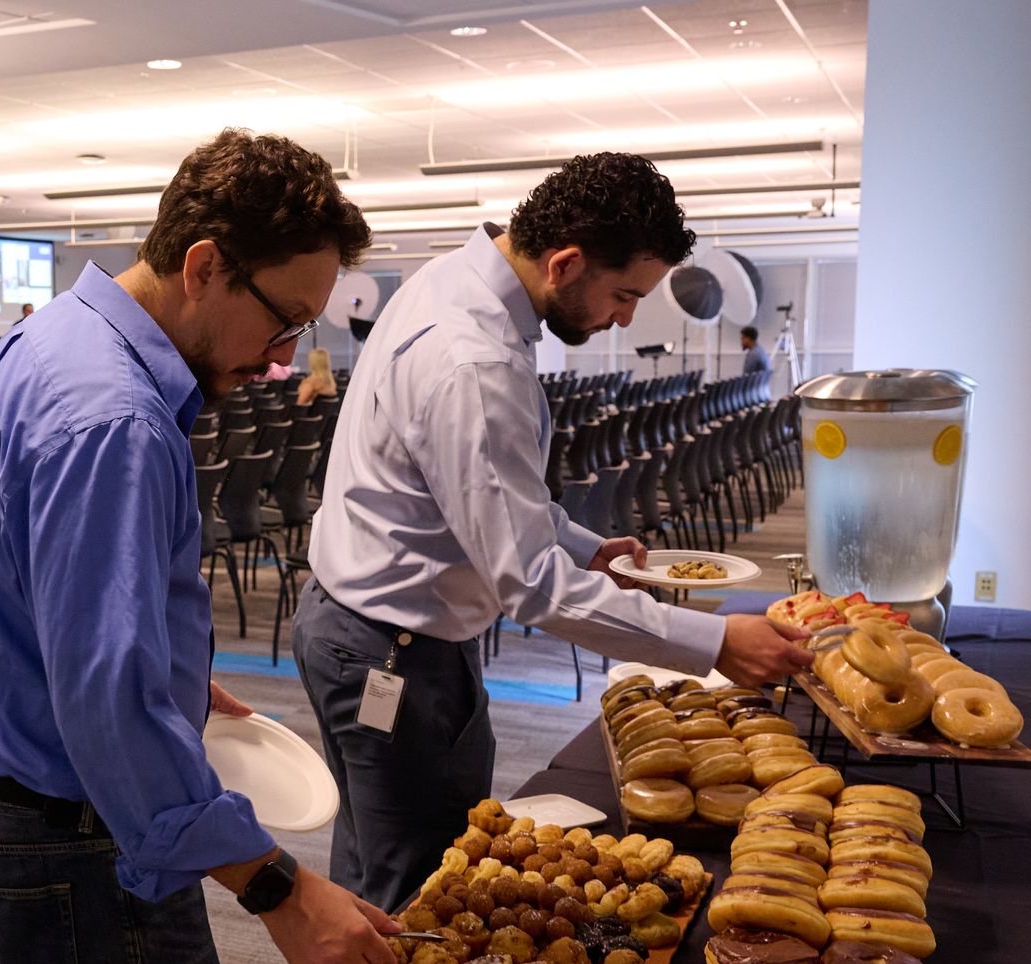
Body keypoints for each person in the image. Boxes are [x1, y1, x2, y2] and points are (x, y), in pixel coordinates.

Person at [0, 127, 396, 964]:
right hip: (72, 841)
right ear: (206, 264)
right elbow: (111, 717)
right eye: (283, 318)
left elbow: (4, 593)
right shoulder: (119, 420)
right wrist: (279, 889)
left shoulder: (48, 342)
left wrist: (167, 668)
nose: (283, 355)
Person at [293, 153, 814, 911]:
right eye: (624, 295)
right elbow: (529, 585)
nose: (628, 318)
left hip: (353, 626)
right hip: (391, 653)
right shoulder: (473, 356)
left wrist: (579, 545)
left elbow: (477, 491)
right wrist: (717, 644)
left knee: (378, 861)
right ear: (565, 262)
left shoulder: (453, 280)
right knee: (419, 888)